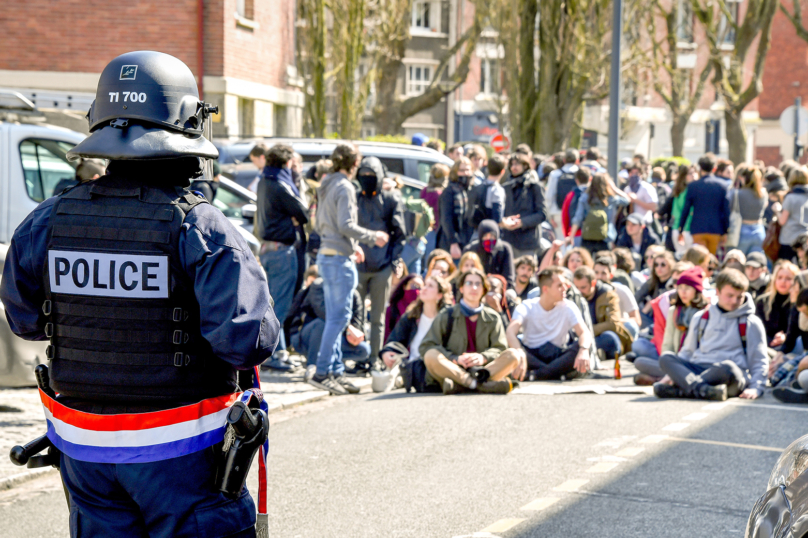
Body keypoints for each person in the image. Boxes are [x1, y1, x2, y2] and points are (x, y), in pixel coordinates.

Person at [0, 51, 279, 537]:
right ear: (188, 127)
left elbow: (24, 321)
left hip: (85, 453)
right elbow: (245, 341)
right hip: (184, 457)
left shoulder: (48, 219)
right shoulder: (199, 224)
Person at [311, 143, 389, 396]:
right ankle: (324, 372)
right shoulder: (344, 186)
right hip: (337, 260)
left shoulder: (327, 182)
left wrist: (352, 245)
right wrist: (371, 236)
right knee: (338, 318)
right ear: (354, 163)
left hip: (328, 254)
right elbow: (346, 224)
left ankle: (334, 370)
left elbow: (325, 222)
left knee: (337, 317)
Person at [655, 269, 768, 401]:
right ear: (717, 292)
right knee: (666, 358)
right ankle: (704, 390)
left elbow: (759, 361)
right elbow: (687, 353)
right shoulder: (701, 317)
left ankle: (685, 389)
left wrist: (756, 387)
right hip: (699, 368)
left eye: (739, 297)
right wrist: (673, 374)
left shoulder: (751, 322)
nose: (734, 301)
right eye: (730, 296)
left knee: (728, 367)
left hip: (728, 374)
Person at [254, 143, 310, 371]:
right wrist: (294, 219)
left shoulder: (264, 181)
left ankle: (280, 352)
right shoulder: (280, 185)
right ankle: (273, 356)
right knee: (280, 307)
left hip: (268, 249)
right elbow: (304, 213)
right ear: (287, 163)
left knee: (274, 303)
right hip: (282, 252)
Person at [420, 268, 521, 394]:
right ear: (461, 288)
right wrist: (454, 358)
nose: (473, 288)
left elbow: (500, 348)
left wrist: (483, 357)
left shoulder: (493, 317)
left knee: (514, 355)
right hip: (453, 369)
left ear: (484, 290)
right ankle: (478, 385)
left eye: (478, 284)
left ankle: (462, 386)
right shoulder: (447, 314)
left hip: (484, 370)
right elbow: (426, 346)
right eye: (469, 283)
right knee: (430, 355)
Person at [355, 157, 407, 360]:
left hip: (382, 266)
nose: (367, 178)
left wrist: (394, 260)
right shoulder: (354, 198)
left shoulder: (391, 199)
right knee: (355, 316)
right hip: (358, 265)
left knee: (377, 318)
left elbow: (400, 233)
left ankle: (374, 359)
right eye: (364, 175)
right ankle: (359, 357)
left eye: (371, 175)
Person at [506, 267, 592, 380]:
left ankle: (537, 375)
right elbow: (510, 332)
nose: (565, 288)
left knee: (583, 346)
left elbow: (584, 332)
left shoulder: (569, 306)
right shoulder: (527, 306)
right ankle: (555, 373)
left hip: (557, 355)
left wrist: (584, 350)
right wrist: (519, 351)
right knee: (511, 350)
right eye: (560, 285)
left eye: (565, 284)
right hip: (532, 356)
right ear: (546, 289)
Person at [633, 267, 709, 385]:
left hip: (698, 362)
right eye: (680, 288)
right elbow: (667, 344)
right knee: (639, 362)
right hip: (677, 361)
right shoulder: (674, 311)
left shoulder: (706, 312)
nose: (683, 292)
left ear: (696, 290)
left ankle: (665, 379)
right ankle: (674, 377)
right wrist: (668, 363)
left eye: (687, 288)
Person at [381, 276, 452, 392]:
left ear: (440, 295)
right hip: (416, 366)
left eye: (430, 286)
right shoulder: (411, 316)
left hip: (440, 364)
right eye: (424, 285)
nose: (424, 288)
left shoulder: (449, 318)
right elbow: (394, 339)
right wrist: (387, 352)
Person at [288, 277, 370, 373]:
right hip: (309, 337)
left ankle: (335, 363)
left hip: (337, 336)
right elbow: (323, 314)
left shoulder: (353, 294)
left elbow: (357, 323)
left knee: (364, 350)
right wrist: (348, 327)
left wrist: (353, 335)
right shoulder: (318, 285)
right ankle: (313, 366)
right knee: (322, 324)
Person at [572, 267, 633, 363]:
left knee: (610, 338)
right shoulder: (573, 296)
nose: (579, 291)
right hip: (581, 338)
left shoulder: (608, 295)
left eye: (583, 287)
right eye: (577, 287)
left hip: (600, 337)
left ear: (593, 283)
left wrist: (587, 332)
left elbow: (613, 323)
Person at [677, 153, 731, 255]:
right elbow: (726, 210)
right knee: (711, 258)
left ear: (700, 168)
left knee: (700, 258)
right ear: (714, 168)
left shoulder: (693, 186)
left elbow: (686, 209)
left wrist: (681, 229)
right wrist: (726, 231)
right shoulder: (722, 185)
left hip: (698, 228)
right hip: (716, 229)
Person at [568, 172, 631, 254]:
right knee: (604, 262)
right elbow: (627, 200)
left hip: (588, 236)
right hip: (605, 237)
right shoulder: (610, 199)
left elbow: (578, 218)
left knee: (587, 262)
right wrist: (614, 188)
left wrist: (571, 236)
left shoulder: (585, 197)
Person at [500, 152, 547, 259]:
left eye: (517, 164)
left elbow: (542, 214)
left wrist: (522, 223)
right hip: (509, 239)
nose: (513, 167)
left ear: (525, 166)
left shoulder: (534, 187)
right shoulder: (505, 187)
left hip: (528, 240)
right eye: (511, 164)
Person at [593, 256, 641, 340]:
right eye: (596, 273)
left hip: (618, 330)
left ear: (611, 275)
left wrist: (614, 322)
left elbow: (637, 320)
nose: (599, 276)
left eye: (603, 273)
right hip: (597, 332)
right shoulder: (588, 292)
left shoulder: (622, 290)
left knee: (631, 326)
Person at [755, 261, 799, 349]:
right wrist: (771, 341)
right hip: (765, 345)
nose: (783, 281)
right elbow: (757, 330)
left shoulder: (798, 304)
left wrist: (786, 337)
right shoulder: (762, 301)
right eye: (779, 277)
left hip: (791, 346)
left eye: (788, 278)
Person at [437, 157, 474, 260]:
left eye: (468, 170)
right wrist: (453, 243)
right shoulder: (449, 192)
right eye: (462, 170)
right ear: (455, 172)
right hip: (451, 242)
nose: (466, 173)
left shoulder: (471, 190)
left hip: (467, 241)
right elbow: (446, 219)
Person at [463, 219, 515, 289]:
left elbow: (509, 277)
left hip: (499, 288)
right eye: (485, 236)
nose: (489, 239)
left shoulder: (504, 249)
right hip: (475, 287)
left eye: (492, 236)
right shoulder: (470, 249)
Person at [730, 163, 767, 256]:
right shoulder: (762, 193)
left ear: (743, 178)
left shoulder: (737, 194)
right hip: (759, 230)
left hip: (742, 230)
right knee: (756, 262)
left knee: (738, 262)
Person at [546, 148, 580, 235]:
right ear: (577, 160)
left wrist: (549, 215)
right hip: (577, 211)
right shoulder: (581, 174)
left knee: (561, 241)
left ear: (564, 160)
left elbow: (549, 196)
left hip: (558, 212)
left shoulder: (555, 174)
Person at [778, 166, 808, 263]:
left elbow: (782, 220)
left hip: (789, 239)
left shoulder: (790, 197)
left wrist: (777, 211)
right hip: (805, 239)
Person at [421, 163, 449, 265]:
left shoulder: (425, 190)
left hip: (423, 228)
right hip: (434, 230)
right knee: (429, 259)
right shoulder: (440, 194)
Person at [468, 153, 507, 227]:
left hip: (476, 228)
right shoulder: (497, 190)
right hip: (490, 230)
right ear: (502, 171)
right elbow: (497, 217)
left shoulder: (479, 186)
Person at [385, 274, 424, 341]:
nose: (416, 290)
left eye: (420, 288)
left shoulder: (424, 311)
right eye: (413, 285)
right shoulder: (391, 310)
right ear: (404, 286)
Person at [561, 167, 591, 247]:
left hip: (576, 233)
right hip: (593, 231)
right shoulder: (593, 194)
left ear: (576, 180)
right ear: (590, 178)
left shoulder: (571, 195)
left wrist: (568, 234)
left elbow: (565, 217)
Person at [670, 164, 695, 256]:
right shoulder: (688, 191)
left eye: (694, 172)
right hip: (686, 230)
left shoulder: (678, 189)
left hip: (676, 229)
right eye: (690, 173)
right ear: (684, 176)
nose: (693, 175)